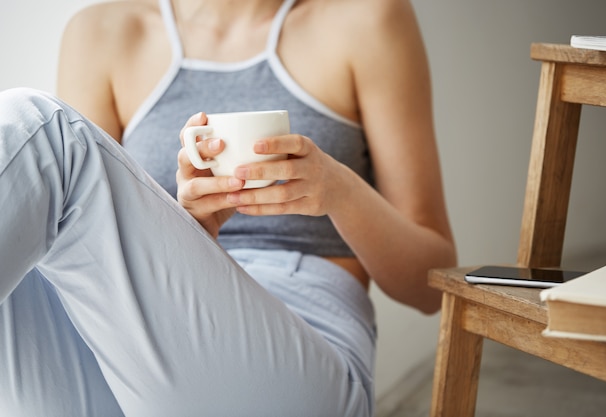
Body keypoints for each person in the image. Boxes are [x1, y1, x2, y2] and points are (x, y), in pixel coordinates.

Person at [0, 0, 456, 415]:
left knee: (42, 131)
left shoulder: (367, 19)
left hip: (304, 347)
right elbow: (87, 252)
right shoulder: (102, 32)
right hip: (132, 359)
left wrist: (336, 189)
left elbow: (431, 287)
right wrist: (185, 234)